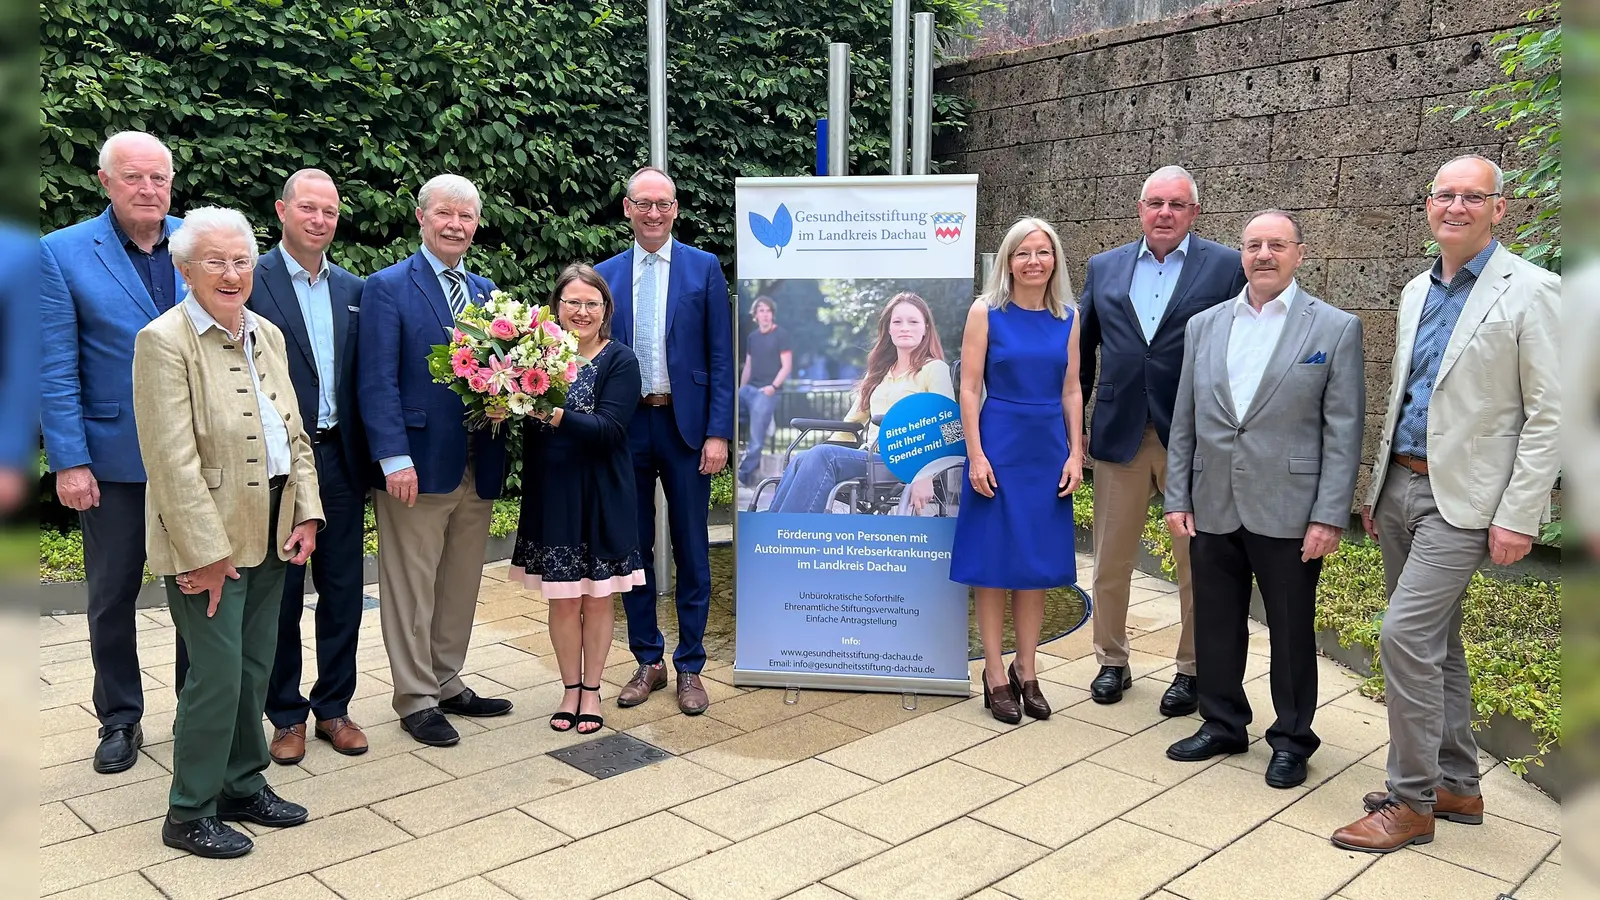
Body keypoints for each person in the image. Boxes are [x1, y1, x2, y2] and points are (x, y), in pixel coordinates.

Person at [1334, 155, 1561, 853]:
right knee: (1439, 645)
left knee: (1403, 635)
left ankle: (1410, 803)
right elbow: (1408, 393)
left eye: (1472, 196)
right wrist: (1375, 490)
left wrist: (1520, 514)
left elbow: (1551, 413)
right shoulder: (1414, 291)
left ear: (1500, 209)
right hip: (1400, 487)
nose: (1455, 207)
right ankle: (1458, 784)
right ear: (1428, 206)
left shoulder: (1534, 291)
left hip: (1466, 501)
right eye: (1444, 195)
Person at [131, 207, 322, 858]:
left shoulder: (266, 332)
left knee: (253, 668)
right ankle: (188, 811)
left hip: (271, 527)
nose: (231, 273)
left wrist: (307, 513)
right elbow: (170, 461)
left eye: (241, 260)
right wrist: (203, 555)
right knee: (215, 674)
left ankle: (242, 784)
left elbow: (294, 434)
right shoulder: (163, 341)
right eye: (214, 261)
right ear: (184, 269)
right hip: (206, 541)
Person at [1163, 210, 1364, 789]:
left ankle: (1293, 739)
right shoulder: (1205, 325)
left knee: (1291, 628)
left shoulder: (1333, 327)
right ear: (1241, 254)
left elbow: (1344, 431)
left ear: (1299, 254)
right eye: (1253, 245)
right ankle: (1223, 722)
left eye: (1277, 244)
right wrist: (1178, 492)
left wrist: (1330, 513)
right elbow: (1185, 419)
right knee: (1217, 622)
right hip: (1213, 501)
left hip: (1291, 506)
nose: (1264, 254)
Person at [41, 131, 187, 774]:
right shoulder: (62, 253)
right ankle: (120, 718)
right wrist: (69, 460)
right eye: (133, 177)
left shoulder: (200, 241)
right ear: (105, 181)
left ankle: (200, 708)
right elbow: (54, 366)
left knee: (202, 585)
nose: (148, 189)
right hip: (113, 458)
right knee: (113, 593)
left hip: (195, 458)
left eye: (158, 177)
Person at [1077, 164, 1247, 714]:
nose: (1165, 213)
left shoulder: (1225, 267)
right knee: (1110, 561)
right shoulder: (1104, 268)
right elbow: (1081, 356)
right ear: (1140, 209)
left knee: (1196, 564)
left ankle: (1192, 670)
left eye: (1177, 204)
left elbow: (1242, 351)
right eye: (1155, 203)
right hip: (1119, 434)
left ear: (1194, 212)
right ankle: (1111, 660)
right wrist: (1075, 433)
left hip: (1192, 440)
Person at [359, 174, 513, 747]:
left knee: (460, 580)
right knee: (411, 584)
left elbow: (497, 370)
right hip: (416, 465)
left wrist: (509, 400)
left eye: (466, 216)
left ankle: (447, 679)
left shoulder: (486, 291)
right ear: (421, 218)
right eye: (445, 214)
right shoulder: (388, 286)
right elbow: (375, 380)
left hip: (479, 459)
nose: (456, 225)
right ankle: (415, 697)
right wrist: (392, 457)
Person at [595, 166, 734, 717]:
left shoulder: (703, 269)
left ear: (676, 209)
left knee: (692, 549)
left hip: (686, 427)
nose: (654, 213)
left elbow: (721, 357)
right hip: (626, 429)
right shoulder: (605, 276)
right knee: (633, 550)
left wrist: (718, 431)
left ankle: (691, 665)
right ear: (627, 208)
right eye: (644, 203)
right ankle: (647, 658)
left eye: (665, 204)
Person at [248, 169, 370, 763]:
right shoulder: (251, 281)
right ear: (281, 211)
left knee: (344, 588)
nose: (319, 220)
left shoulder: (353, 287)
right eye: (308, 209)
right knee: (284, 592)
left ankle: (334, 707)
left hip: (341, 456)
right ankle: (286, 714)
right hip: (281, 464)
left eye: (329, 210)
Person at [950, 218, 1082, 725]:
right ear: (1008, 261)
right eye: (1023, 252)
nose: (1033, 261)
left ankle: (1028, 670)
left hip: (1047, 448)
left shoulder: (1069, 316)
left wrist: (1075, 453)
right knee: (993, 566)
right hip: (998, 442)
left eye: (1043, 252)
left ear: (1055, 260)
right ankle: (994, 673)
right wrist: (976, 454)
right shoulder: (986, 312)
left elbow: (1072, 389)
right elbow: (968, 388)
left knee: (1035, 568)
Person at [510, 264, 644, 734]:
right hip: (553, 491)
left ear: (605, 310)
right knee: (563, 599)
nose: (581, 311)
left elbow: (610, 429)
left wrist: (553, 412)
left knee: (599, 598)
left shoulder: (620, 360)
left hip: (603, 490)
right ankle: (569, 688)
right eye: (572, 302)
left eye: (592, 303)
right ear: (557, 307)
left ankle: (593, 690)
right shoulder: (532, 358)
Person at [765, 292, 955, 514]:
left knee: (819, 456)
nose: (905, 327)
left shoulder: (934, 369)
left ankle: (792, 534)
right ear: (888, 330)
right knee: (804, 457)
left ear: (926, 330)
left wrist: (925, 475)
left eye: (913, 322)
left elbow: (948, 428)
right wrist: (821, 450)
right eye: (897, 322)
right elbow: (852, 423)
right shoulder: (878, 374)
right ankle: (775, 531)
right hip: (872, 456)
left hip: (906, 459)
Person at [736, 295, 793, 487]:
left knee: (756, 436)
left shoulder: (781, 335)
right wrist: (741, 389)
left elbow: (786, 366)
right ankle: (764, 420)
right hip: (750, 389)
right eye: (762, 311)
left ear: (772, 314)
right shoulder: (753, 337)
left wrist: (773, 387)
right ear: (756, 315)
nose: (766, 315)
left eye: (768, 311)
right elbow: (749, 366)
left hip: (768, 391)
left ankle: (742, 475)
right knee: (727, 405)